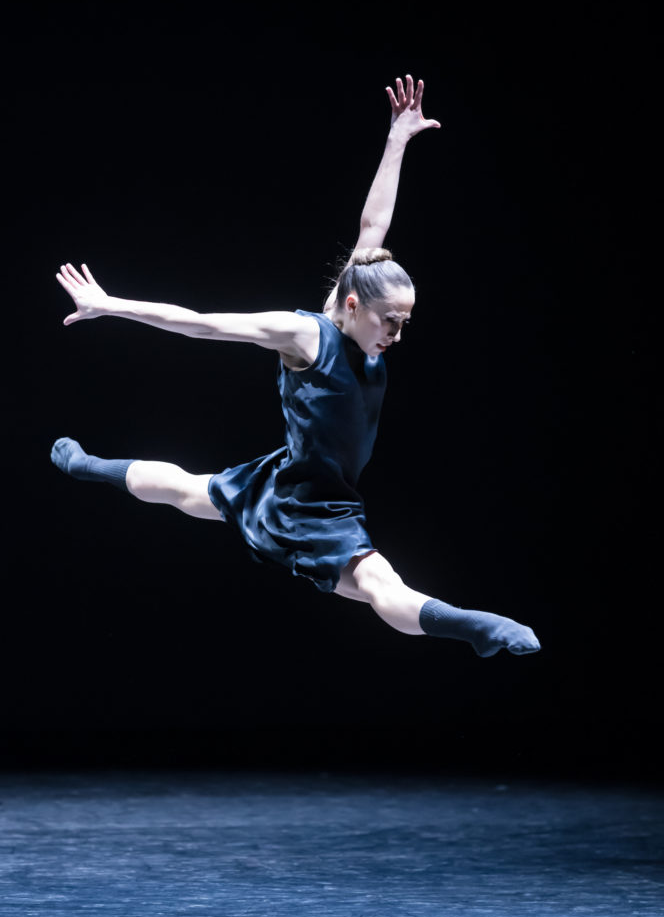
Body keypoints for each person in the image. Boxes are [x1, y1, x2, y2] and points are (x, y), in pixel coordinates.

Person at [51, 76, 540, 659]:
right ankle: (475, 628)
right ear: (354, 307)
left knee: (187, 490)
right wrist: (110, 305)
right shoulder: (304, 334)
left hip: (298, 482)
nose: (397, 334)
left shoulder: (362, 297)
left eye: (406, 323)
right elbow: (200, 322)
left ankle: (88, 466)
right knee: (380, 585)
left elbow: (372, 227)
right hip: (313, 504)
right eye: (391, 322)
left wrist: (398, 139)